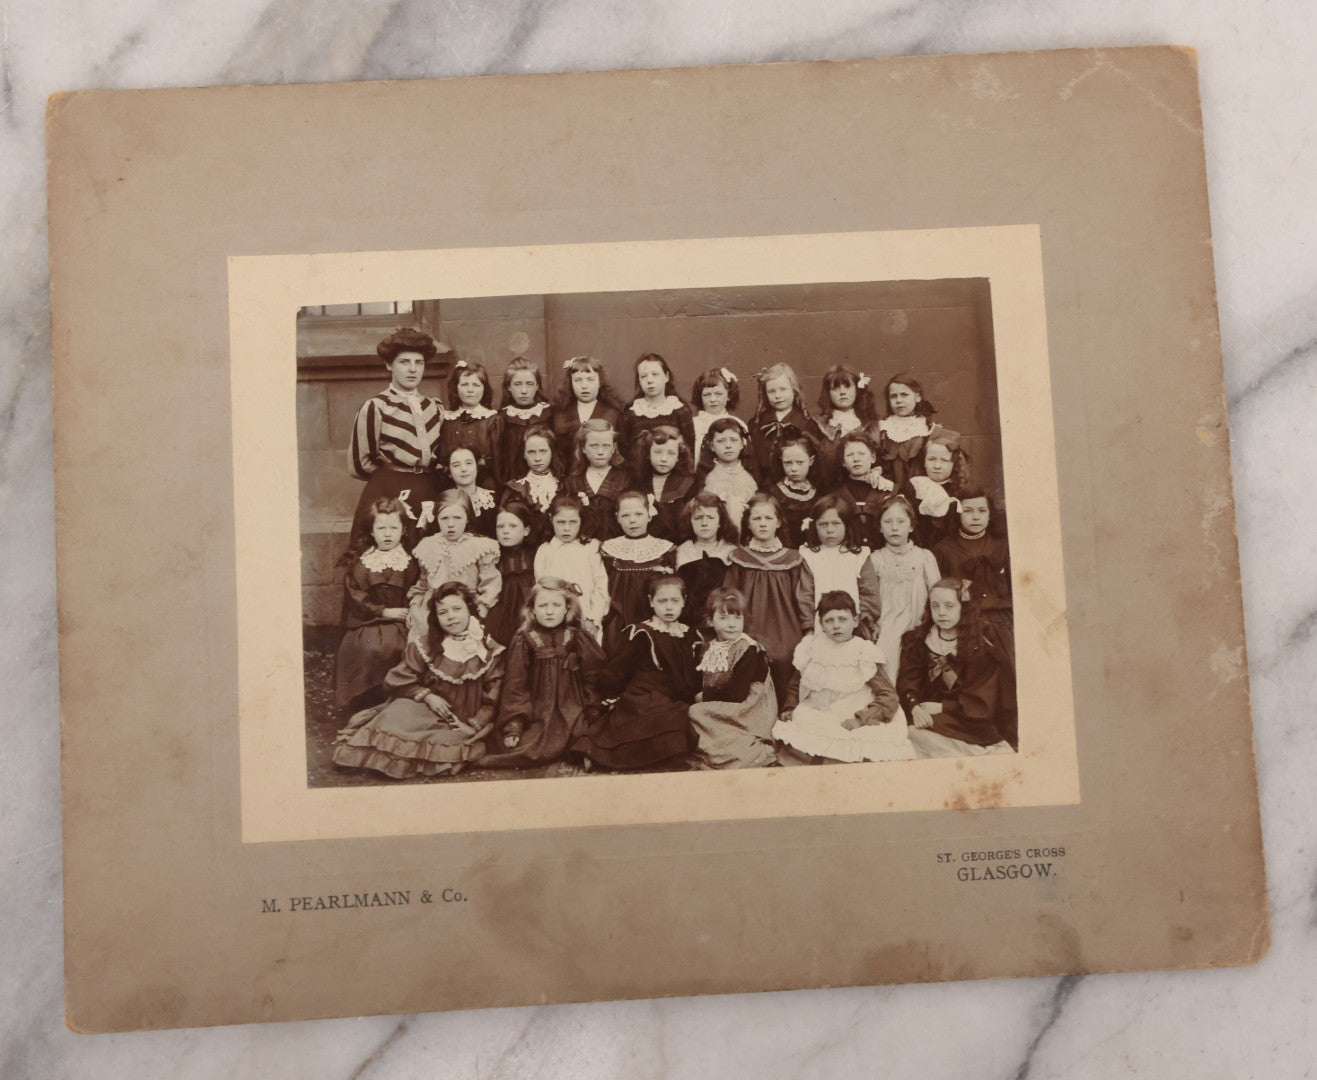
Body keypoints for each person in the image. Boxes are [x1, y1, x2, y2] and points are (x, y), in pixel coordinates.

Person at [333, 582, 504, 779]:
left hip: (460, 719)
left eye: (457, 609)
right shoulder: (426, 645)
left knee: (453, 745)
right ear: (435, 617)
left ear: (470, 610)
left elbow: (493, 697)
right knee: (395, 717)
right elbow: (397, 679)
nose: (451, 616)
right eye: (443, 612)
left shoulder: (489, 650)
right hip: (425, 709)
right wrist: (427, 696)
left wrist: (473, 725)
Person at [481, 577, 606, 773]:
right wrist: (514, 723)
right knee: (534, 745)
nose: (549, 611)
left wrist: (593, 709)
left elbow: (593, 676)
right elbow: (516, 684)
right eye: (543, 605)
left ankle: (585, 750)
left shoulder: (578, 636)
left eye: (556, 605)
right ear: (532, 609)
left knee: (586, 733)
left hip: (573, 705)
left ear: (567, 608)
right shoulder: (524, 639)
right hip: (539, 708)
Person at [574, 574, 698, 770]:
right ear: (651, 602)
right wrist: (611, 695)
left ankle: (664, 757)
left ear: (684, 601)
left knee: (680, 715)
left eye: (675, 601)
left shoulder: (690, 634)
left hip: (677, 693)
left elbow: (696, 670)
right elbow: (619, 669)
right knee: (652, 714)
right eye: (662, 601)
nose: (668, 607)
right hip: (645, 691)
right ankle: (598, 755)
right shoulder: (642, 632)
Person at [773, 591, 913, 764]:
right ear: (821, 625)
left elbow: (889, 696)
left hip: (854, 711)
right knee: (796, 731)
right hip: (820, 710)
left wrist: (861, 719)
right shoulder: (812, 648)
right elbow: (797, 683)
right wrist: (790, 706)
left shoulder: (863, 652)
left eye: (842, 619)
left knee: (858, 747)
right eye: (829, 620)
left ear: (855, 620)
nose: (836, 626)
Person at [346, 328, 445, 550]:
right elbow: (358, 464)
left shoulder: (435, 408)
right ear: (389, 365)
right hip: (389, 489)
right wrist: (389, 478)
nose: (412, 369)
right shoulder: (376, 407)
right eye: (404, 362)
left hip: (429, 489)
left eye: (419, 363)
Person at [897, 578, 1017, 756]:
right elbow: (909, 679)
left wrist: (942, 708)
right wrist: (915, 708)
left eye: (949, 606)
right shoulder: (919, 640)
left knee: (920, 735)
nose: (941, 612)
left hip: (969, 717)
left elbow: (982, 696)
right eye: (935, 606)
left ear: (964, 607)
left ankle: (976, 752)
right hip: (928, 711)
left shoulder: (981, 643)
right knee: (908, 732)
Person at [333, 498, 418, 709]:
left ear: (403, 530)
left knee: (401, 647)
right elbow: (356, 597)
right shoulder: (362, 564)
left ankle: (397, 699)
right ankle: (364, 700)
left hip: (403, 622)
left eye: (393, 528)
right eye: (381, 528)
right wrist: (384, 612)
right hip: (368, 621)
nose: (387, 534)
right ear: (372, 531)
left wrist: (411, 611)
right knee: (365, 648)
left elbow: (418, 589)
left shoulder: (410, 562)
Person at [723, 492, 803, 702]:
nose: (763, 523)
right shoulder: (739, 558)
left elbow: (801, 597)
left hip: (786, 627)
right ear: (748, 524)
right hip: (749, 626)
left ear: (778, 522)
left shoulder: (793, 558)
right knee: (749, 657)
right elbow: (729, 596)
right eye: (756, 518)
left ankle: (786, 711)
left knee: (787, 655)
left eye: (769, 518)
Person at [687, 587, 778, 769]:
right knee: (690, 714)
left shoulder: (749, 649)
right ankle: (721, 748)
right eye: (724, 617)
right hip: (720, 703)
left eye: (738, 617)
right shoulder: (705, 648)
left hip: (747, 706)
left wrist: (704, 697)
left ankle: (746, 752)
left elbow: (738, 692)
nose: (732, 624)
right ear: (710, 621)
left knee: (696, 713)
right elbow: (697, 680)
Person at [407, 489, 501, 635]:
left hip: (467, 609)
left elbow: (491, 583)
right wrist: (414, 606)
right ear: (437, 518)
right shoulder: (428, 545)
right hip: (433, 609)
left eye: (457, 518)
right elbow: (423, 584)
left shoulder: (480, 546)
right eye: (444, 518)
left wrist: (481, 609)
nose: (451, 524)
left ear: (467, 518)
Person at [599, 490, 678, 657]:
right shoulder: (609, 549)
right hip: (617, 619)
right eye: (626, 515)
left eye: (638, 514)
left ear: (649, 515)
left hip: (653, 617)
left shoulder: (664, 549)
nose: (633, 520)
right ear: (617, 517)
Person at [869, 494, 941, 679]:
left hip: (918, 622)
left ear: (911, 526)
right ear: (879, 527)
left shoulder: (924, 557)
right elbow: (869, 596)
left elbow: (937, 594)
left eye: (901, 521)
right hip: (886, 624)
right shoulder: (875, 559)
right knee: (886, 660)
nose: (894, 528)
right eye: (888, 522)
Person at [795, 494, 880, 640]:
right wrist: (809, 628)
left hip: (854, 628)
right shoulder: (810, 556)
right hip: (820, 629)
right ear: (814, 526)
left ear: (846, 525)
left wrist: (863, 622)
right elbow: (805, 595)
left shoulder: (859, 555)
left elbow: (870, 593)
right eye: (823, 524)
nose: (830, 530)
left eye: (836, 523)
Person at [931, 487, 1011, 631]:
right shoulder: (943, 550)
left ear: (990, 514)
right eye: (967, 511)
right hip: (961, 625)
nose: (975, 517)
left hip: (1002, 622)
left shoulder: (1003, 545)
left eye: (982, 510)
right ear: (958, 514)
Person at [533, 492, 609, 640]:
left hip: (586, 616)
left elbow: (601, 586)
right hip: (555, 620)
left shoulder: (591, 547)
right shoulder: (545, 550)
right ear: (551, 519)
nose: (566, 528)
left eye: (573, 522)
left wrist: (593, 619)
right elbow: (541, 588)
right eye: (561, 522)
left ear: (581, 520)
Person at [809, 364, 880, 488]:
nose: (842, 392)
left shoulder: (872, 425)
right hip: (828, 490)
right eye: (835, 388)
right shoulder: (817, 425)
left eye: (847, 386)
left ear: (858, 389)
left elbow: (881, 459)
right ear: (828, 393)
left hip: (866, 489)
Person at [899, 428, 971, 548]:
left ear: (954, 464)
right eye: (931, 459)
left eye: (944, 460)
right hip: (916, 546)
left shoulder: (958, 491)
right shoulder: (915, 486)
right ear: (924, 462)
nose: (937, 466)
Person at [562, 418, 631, 542]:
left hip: (619, 544)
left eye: (606, 446)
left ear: (614, 447)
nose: (600, 452)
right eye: (594, 446)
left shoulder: (626, 478)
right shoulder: (572, 481)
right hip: (582, 546)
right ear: (583, 448)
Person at [674, 492, 736, 626]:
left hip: (723, 619)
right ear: (690, 521)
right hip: (687, 620)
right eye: (698, 518)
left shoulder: (731, 552)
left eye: (711, 517)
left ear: (720, 522)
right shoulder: (680, 552)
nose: (704, 523)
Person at [550, 354, 624, 466]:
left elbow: (622, 452)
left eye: (590, 380)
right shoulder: (560, 413)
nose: (584, 386)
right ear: (570, 383)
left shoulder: (613, 413)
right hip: (568, 477)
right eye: (578, 380)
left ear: (600, 382)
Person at [618, 352, 697, 454]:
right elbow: (622, 450)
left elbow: (690, 450)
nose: (649, 380)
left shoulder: (679, 410)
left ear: (666, 376)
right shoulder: (629, 412)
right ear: (639, 381)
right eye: (643, 376)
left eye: (655, 374)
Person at [630, 424, 697, 543]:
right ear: (648, 454)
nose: (664, 459)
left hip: (680, 543)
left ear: (678, 457)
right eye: (658, 452)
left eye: (671, 453)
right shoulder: (638, 482)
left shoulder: (688, 483)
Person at [484, 501, 538, 649]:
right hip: (501, 609)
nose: (505, 531)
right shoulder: (493, 556)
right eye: (500, 526)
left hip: (526, 607)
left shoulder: (534, 555)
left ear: (526, 530)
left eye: (512, 526)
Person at [492, 357, 552, 487]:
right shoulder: (502, 418)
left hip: (547, 482)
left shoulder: (549, 414)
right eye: (517, 384)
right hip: (515, 484)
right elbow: (498, 461)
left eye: (529, 384)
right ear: (509, 387)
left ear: (537, 386)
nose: (524, 391)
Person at [437, 358, 499, 484]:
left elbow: (499, 461)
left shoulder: (492, 420)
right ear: (456, 388)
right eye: (465, 384)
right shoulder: (447, 420)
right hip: (451, 485)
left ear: (484, 389)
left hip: (485, 484)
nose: (470, 390)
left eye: (476, 385)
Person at [747, 362, 811, 481]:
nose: (778, 395)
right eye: (772, 391)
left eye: (783, 389)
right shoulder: (757, 423)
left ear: (794, 390)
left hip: (794, 479)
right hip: (763, 482)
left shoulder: (806, 423)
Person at [876, 372, 940, 489]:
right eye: (893, 396)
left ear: (918, 397)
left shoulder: (927, 429)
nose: (898, 400)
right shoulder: (883, 429)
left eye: (904, 395)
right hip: (888, 490)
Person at [832, 430, 895, 549]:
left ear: (872, 457)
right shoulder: (837, 493)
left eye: (861, 453)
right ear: (843, 462)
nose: (856, 459)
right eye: (850, 455)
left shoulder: (886, 488)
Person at [697, 416, 759, 534]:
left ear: (742, 443)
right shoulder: (707, 478)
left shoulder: (750, 478)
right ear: (711, 445)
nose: (728, 445)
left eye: (733, 440)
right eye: (721, 441)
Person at [500, 423, 561, 538]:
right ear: (524, 454)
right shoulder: (515, 489)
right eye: (531, 452)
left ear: (552, 452)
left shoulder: (563, 486)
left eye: (543, 451)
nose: (537, 458)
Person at [767, 434, 822, 548]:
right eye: (788, 463)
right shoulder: (773, 494)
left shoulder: (818, 495)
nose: (794, 468)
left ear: (811, 461)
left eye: (800, 462)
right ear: (781, 462)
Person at [441, 446, 497, 538]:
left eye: (468, 463)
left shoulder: (492, 500)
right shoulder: (443, 502)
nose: (463, 469)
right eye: (456, 465)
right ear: (449, 472)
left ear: (477, 467)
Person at [689, 366, 748, 453]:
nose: (712, 399)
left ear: (729, 396)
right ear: (700, 397)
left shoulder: (738, 423)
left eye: (718, 394)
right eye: (707, 395)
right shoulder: (692, 424)